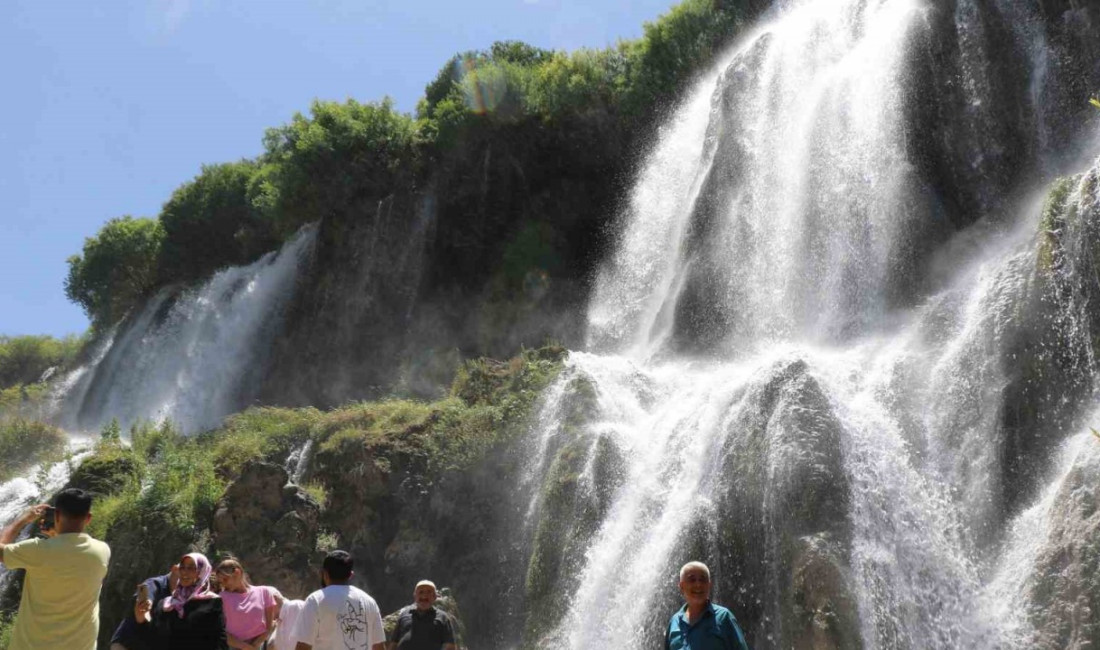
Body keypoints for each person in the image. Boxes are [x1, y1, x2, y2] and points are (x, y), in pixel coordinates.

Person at [0, 488, 111, 650]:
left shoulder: (37, 551)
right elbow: (68, 555)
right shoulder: (102, 551)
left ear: (57, 515)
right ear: (88, 518)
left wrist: (23, 520)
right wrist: (56, 537)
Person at [133, 552, 228, 649]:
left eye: (191, 568)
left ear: (201, 572)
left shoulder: (211, 602)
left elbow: (220, 641)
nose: (184, 572)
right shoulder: (165, 604)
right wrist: (140, 617)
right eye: (182, 567)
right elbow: (150, 636)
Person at [294, 550, 385, 650]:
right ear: (351, 575)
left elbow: (303, 646)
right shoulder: (369, 602)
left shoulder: (315, 600)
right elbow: (379, 646)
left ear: (325, 574)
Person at [664, 561, 749, 650]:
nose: (698, 584)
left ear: (709, 585)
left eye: (703, 580)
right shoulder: (674, 622)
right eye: (692, 580)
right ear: (681, 586)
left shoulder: (724, 618)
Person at [110, 564, 179, 650]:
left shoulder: (182, 596)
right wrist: (146, 602)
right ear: (175, 569)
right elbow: (143, 591)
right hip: (126, 645)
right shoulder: (154, 583)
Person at [216, 557, 279, 650]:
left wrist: (256, 644)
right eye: (220, 582)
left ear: (237, 573)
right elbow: (221, 630)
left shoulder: (264, 592)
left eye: (225, 580)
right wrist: (246, 647)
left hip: (259, 645)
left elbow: (269, 626)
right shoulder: (221, 598)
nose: (223, 585)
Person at [388, 580, 457, 650]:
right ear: (415, 596)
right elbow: (393, 644)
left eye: (429, 592)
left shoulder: (443, 617)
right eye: (421, 592)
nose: (424, 596)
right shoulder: (404, 615)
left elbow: (450, 647)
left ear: (434, 597)